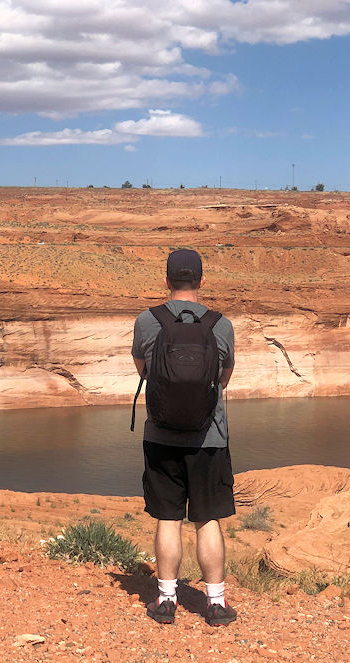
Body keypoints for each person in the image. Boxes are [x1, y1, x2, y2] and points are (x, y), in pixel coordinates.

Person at [131, 248, 237, 626]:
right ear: (202, 281)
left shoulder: (147, 321)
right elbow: (223, 379)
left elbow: (143, 370)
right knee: (208, 520)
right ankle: (216, 604)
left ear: (166, 280)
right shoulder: (220, 325)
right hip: (209, 438)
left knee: (168, 518)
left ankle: (166, 600)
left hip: (161, 436)